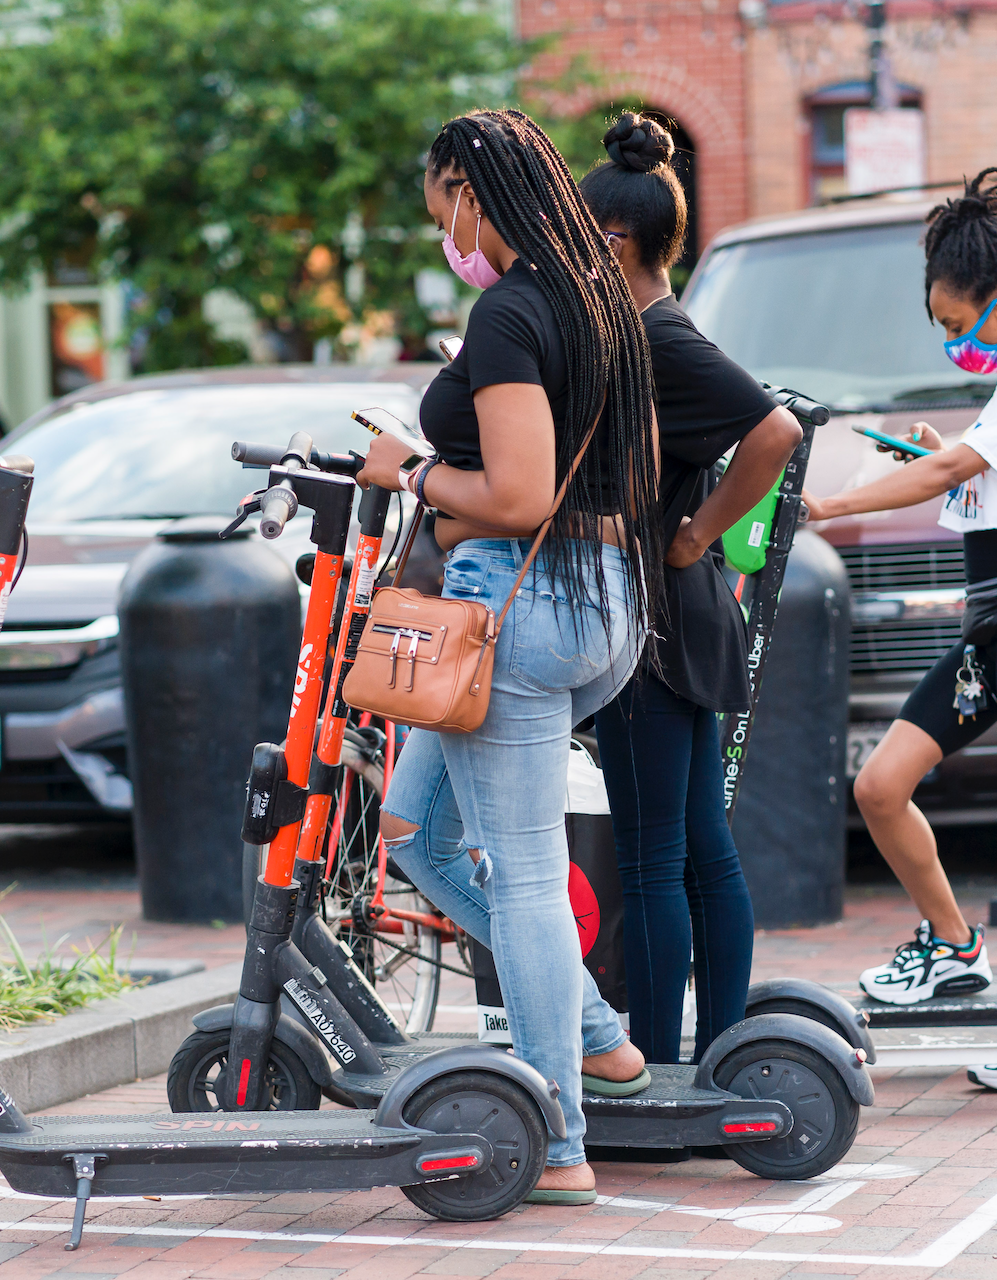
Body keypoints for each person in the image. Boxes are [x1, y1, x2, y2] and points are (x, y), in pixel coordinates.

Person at [356, 109, 660, 1203]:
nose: (441, 225)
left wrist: (411, 471)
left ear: (471, 192)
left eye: (441, 203)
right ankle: (594, 1031)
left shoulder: (511, 312)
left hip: (506, 613)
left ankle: (559, 1139)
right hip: (601, 604)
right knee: (418, 831)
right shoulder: (604, 307)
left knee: (524, 874)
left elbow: (520, 494)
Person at [803, 165, 997, 1092]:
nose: (947, 340)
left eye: (951, 322)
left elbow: (947, 483)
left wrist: (836, 502)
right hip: (996, 629)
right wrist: (946, 459)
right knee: (883, 785)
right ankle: (956, 943)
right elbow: (969, 481)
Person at [577, 113, 804, 1066]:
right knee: (699, 849)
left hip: (662, 619)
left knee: (653, 858)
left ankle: (665, 1066)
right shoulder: (647, 335)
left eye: (579, 241)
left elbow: (777, 431)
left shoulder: (658, 339)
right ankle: (719, 1055)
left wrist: (694, 534)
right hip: (687, 618)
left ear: (614, 241)